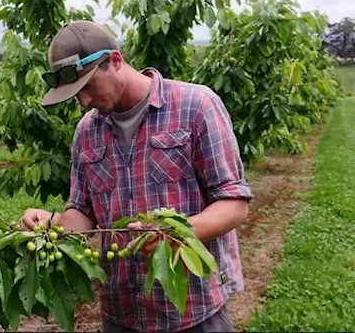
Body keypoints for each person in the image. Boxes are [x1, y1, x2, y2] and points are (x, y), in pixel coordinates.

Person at [21, 20, 253, 332]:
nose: (84, 102)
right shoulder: (87, 131)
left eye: (87, 87)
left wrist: (176, 234)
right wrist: (52, 223)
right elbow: (83, 213)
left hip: (193, 312)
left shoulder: (196, 107)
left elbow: (235, 203)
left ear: (115, 61)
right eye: (76, 94)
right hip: (122, 314)